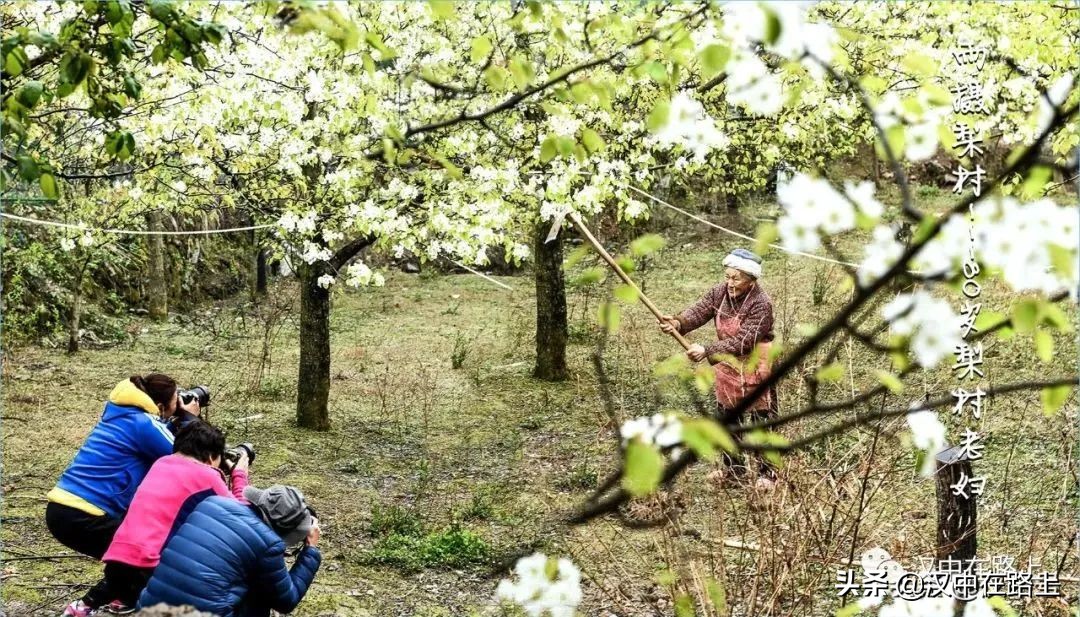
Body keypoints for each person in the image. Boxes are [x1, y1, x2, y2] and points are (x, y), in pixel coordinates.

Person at [64, 421, 249, 617]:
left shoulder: (159, 464)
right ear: (213, 457)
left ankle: (84, 608)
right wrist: (239, 475)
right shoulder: (207, 475)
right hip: (152, 570)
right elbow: (241, 515)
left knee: (128, 584)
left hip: (117, 561)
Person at [46, 374, 200, 561]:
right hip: (86, 515)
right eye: (177, 401)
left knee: (128, 566)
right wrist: (189, 418)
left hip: (61, 510)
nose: (179, 406)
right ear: (160, 407)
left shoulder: (121, 414)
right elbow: (190, 457)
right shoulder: (143, 424)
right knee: (140, 561)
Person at [658, 248, 778, 487]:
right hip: (728, 365)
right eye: (727, 276)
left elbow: (745, 341)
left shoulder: (761, 303)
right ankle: (734, 472)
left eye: (736, 278)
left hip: (755, 361)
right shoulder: (719, 292)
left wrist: (707, 350)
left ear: (751, 279)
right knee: (726, 417)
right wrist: (677, 322)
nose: (730, 282)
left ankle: (767, 474)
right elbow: (698, 311)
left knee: (761, 417)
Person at [138, 485, 322, 617]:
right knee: (260, 598)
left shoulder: (211, 503)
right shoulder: (268, 544)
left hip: (148, 607)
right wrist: (310, 550)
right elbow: (286, 601)